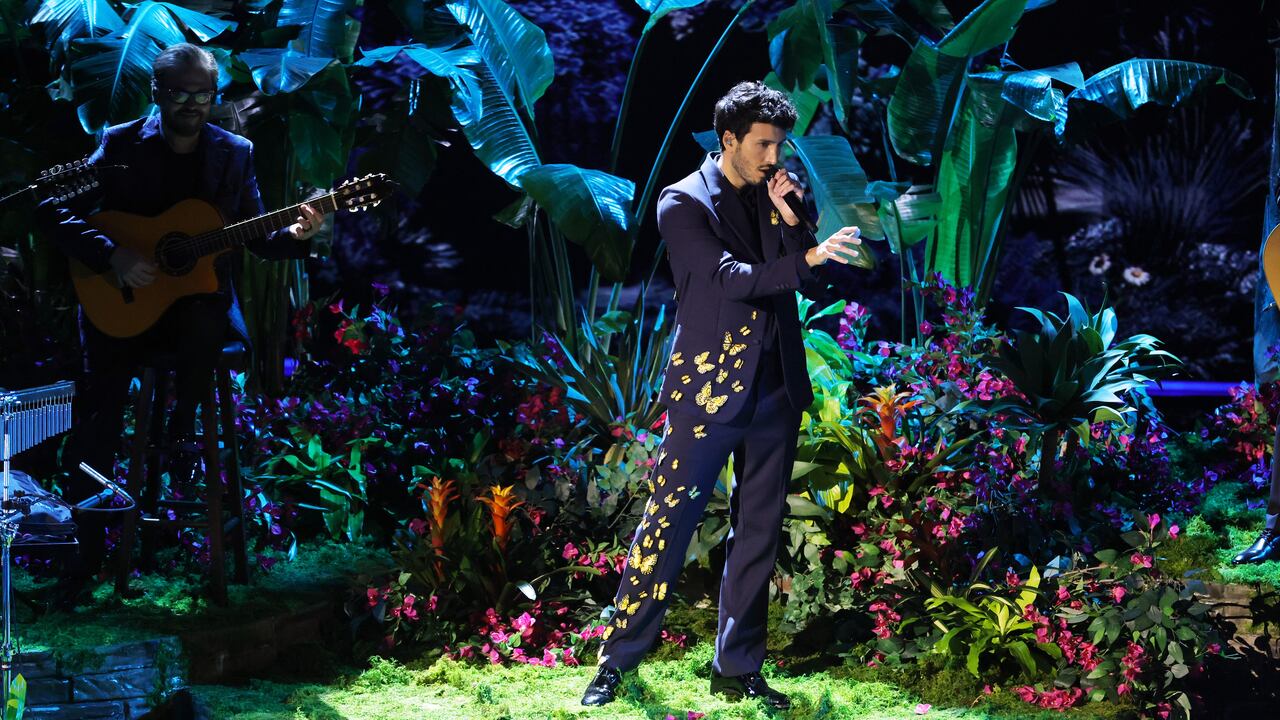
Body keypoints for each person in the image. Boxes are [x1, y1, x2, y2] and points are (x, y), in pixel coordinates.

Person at [580, 81, 864, 708]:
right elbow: (726, 280)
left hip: (775, 389)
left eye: (780, 144)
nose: (774, 157)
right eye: (764, 144)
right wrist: (806, 254)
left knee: (758, 530)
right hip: (707, 392)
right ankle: (619, 658)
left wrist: (796, 223)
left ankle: (736, 666)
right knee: (669, 521)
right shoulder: (682, 202)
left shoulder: (778, 193)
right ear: (729, 139)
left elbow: (811, 285)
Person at [42, 42, 322, 602]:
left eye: (203, 94)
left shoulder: (233, 153)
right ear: (158, 93)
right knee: (96, 421)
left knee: (204, 314)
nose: (193, 104)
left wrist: (294, 236)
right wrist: (112, 254)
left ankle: (181, 431)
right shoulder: (118, 145)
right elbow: (53, 208)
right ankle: (85, 562)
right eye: (180, 94)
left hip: (195, 315)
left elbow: (257, 234)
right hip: (122, 307)